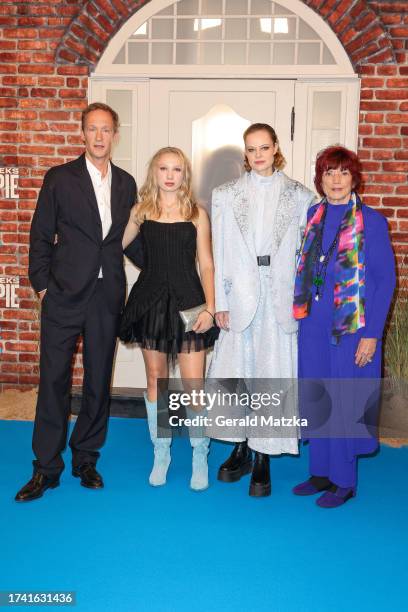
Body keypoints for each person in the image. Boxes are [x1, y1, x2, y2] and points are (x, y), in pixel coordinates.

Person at [15, 103, 137, 502]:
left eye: (106, 129)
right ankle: (46, 468)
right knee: (53, 380)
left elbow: (129, 241)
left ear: (115, 134)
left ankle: (86, 457)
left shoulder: (127, 184)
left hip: (106, 296)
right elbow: (40, 236)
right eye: (92, 129)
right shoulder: (60, 178)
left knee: (99, 380)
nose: (99, 136)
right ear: (82, 134)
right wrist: (44, 287)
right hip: (64, 294)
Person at [208, 123, 315, 497]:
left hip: (279, 294)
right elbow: (219, 252)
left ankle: (263, 454)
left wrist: (303, 303)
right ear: (245, 153)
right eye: (251, 150)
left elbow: (308, 257)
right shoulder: (224, 195)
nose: (258, 156)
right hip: (239, 294)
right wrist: (220, 303)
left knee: (271, 375)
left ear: (275, 149)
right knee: (238, 374)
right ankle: (239, 446)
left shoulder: (301, 196)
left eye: (264, 148)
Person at [292, 145, 396, 508]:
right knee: (318, 395)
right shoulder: (312, 216)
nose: (336, 180)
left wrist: (372, 335)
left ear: (354, 178)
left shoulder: (373, 221)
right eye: (328, 173)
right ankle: (320, 471)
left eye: (343, 173)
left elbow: (385, 282)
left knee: (345, 400)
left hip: (353, 328)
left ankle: (344, 480)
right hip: (314, 326)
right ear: (320, 179)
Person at [120, 147, 218, 491]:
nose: (170, 175)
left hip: (191, 303)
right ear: (154, 172)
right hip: (150, 302)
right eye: (164, 168)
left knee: (194, 387)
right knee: (156, 380)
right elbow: (110, 244)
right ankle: (161, 452)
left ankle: (199, 454)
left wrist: (209, 307)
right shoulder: (141, 211)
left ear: (184, 174)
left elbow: (206, 264)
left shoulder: (196, 213)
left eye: (177, 169)